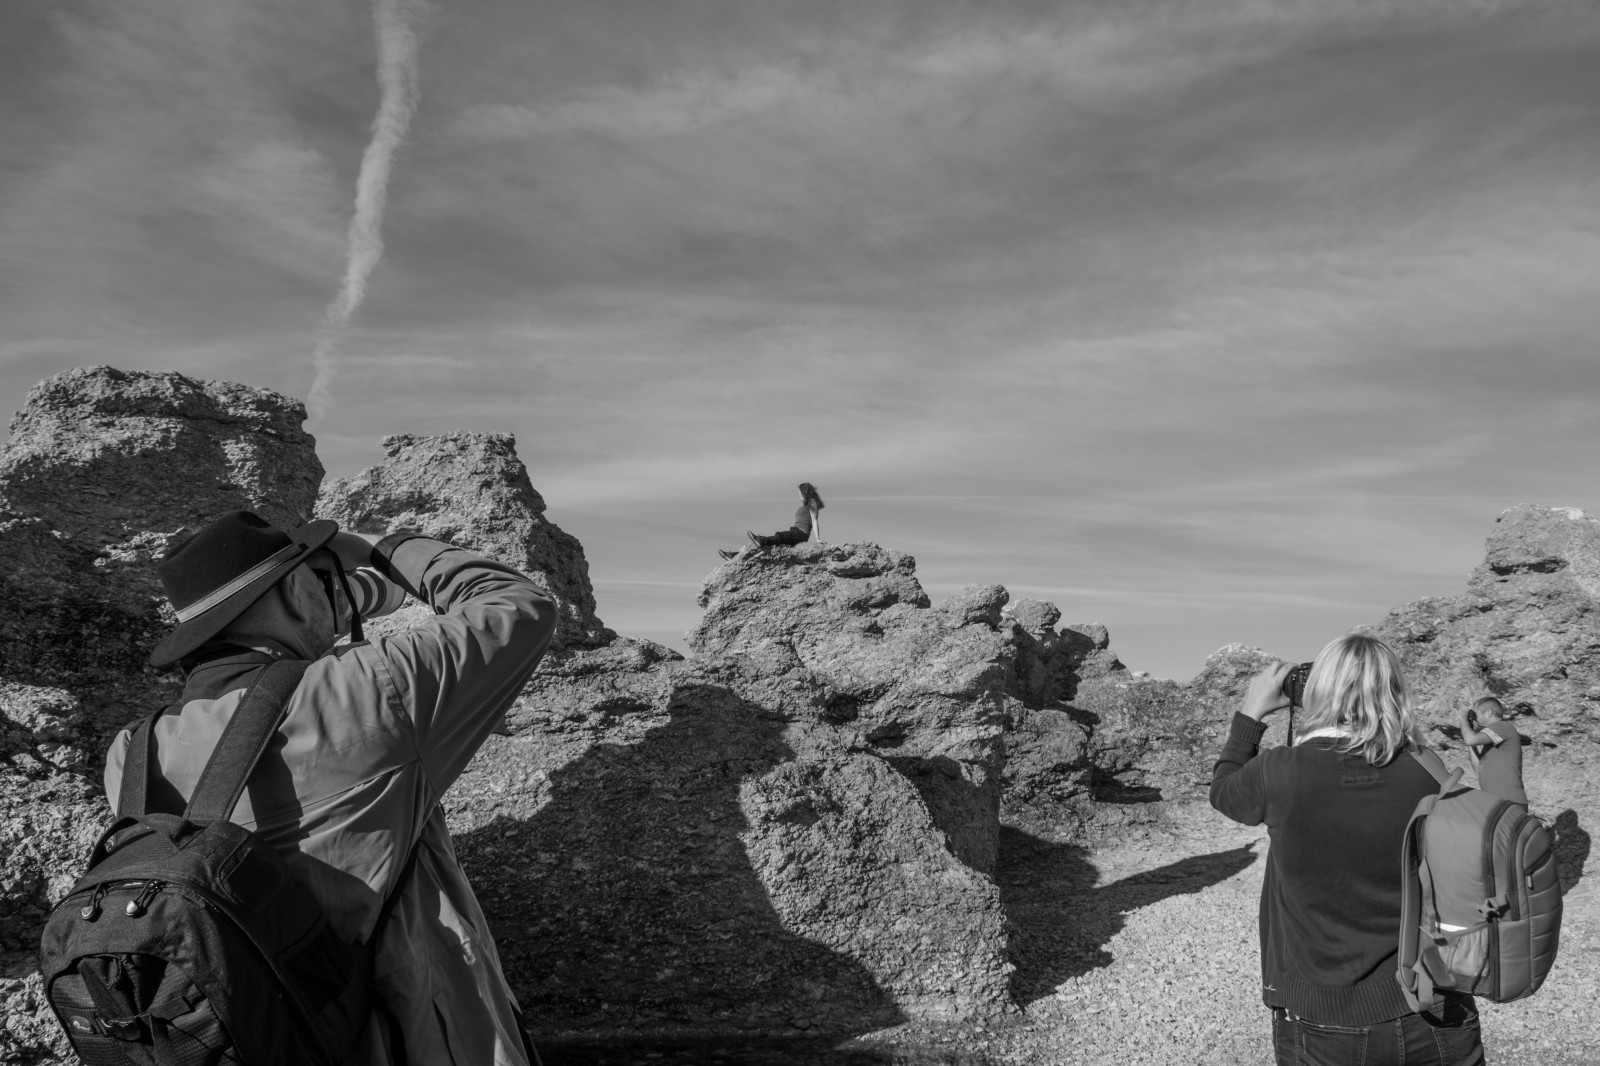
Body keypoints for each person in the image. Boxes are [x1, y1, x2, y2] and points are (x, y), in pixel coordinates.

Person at [103, 510, 557, 1066]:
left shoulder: (131, 753)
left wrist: (324, 597)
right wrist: (378, 548)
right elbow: (517, 605)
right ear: (295, 592)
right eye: (317, 583)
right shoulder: (366, 689)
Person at [1210, 634, 1485, 1066]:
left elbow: (1224, 790)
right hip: (1436, 998)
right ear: (1393, 690)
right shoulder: (1427, 769)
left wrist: (1250, 713)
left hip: (1327, 1019)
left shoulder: (1281, 772)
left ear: (1320, 689)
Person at [717, 482, 825, 559]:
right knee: (767, 546)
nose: (798, 494)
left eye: (800, 492)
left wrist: (817, 539)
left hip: (801, 534)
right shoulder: (804, 505)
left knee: (779, 536)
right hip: (794, 531)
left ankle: (761, 540)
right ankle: (735, 556)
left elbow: (814, 521)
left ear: (805, 492)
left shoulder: (813, 503)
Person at [1457, 696, 1528, 805]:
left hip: (1509, 800)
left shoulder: (1502, 726)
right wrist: (1471, 733)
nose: (1474, 718)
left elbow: (1471, 739)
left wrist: (1463, 718)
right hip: (1496, 802)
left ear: (1489, 713)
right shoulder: (1493, 742)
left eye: (1476, 714)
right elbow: (1479, 769)